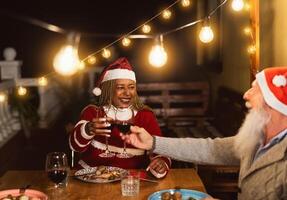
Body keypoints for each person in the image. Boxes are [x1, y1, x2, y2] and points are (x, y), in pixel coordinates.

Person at [121, 66, 287, 199]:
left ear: (273, 103)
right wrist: (153, 142)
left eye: (255, 90)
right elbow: (210, 149)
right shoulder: (256, 140)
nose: (246, 95)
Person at [69, 57, 171, 178]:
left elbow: (160, 148)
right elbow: (75, 146)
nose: (128, 93)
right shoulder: (93, 112)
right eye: (121, 87)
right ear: (108, 90)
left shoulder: (145, 115)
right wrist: (87, 129)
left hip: (132, 179)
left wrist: (161, 163)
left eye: (131, 87)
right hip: (92, 176)